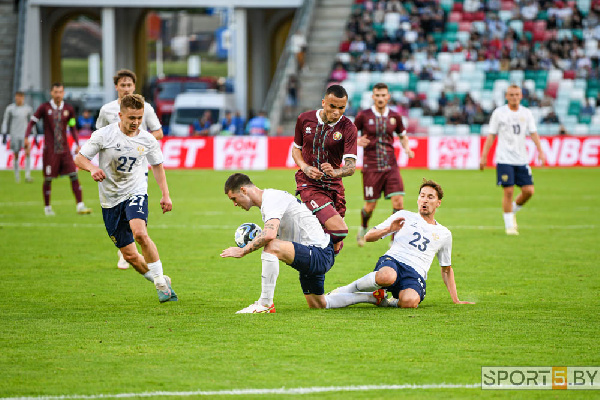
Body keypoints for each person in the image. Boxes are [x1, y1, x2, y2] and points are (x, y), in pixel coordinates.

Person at [74, 94, 177, 303]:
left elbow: (157, 166)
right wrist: (92, 168)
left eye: (139, 118)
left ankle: (160, 285)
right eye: (131, 118)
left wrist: (165, 195)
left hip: (135, 191)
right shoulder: (104, 135)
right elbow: (79, 157)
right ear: (120, 115)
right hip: (110, 199)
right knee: (130, 257)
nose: (136, 122)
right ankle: (160, 278)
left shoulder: (147, 139)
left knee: (140, 233)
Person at [325, 179, 475, 309]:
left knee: (410, 301)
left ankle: (383, 300)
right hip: (394, 261)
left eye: (430, 197)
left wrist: (456, 299)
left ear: (438, 203)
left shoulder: (444, 233)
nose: (425, 200)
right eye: (422, 196)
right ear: (418, 199)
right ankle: (350, 290)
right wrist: (388, 230)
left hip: (415, 273)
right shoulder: (403, 216)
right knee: (386, 276)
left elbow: (447, 269)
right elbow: (368, 236)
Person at [220, 173, 334, 313]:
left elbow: (269, 235)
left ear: (244, 190)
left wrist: (243, 251)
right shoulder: (270, 202)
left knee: (271, 246)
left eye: (234, 198)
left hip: (318, 253)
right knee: (318, 304)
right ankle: (363, 294)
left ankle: (265, 304)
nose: (235, 204)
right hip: (316, 251)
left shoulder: (271, 199)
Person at [96, 69, 163, 269]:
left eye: (129, 85)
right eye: (122, 85)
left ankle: (130, 249)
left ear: (134, 87)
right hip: (113, 173)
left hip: (138, 169)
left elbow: (158, 131)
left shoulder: (146, 108)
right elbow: (99, 134)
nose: (126, 88)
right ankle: (128, 250)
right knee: (122, 212)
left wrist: (140, 142)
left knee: (137, 221)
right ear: (116, 87)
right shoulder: (106, 110)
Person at [292, 84, 357, 254]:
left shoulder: (349, 128)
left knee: (336, 245)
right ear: (323, 103)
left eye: (341, 108)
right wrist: (305, 167)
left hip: (334, 187)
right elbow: (296, 149)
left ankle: (314, 268)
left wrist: (335, 172)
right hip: (309, 184)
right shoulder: (304, 119)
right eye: (332, 106)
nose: (336, 112)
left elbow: (351, 167)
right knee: (339, 230)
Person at [480, 84, 547, 235]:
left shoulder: (527, 113)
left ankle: (512, 210)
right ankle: (510, 226)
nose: (514, 97)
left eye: (517, 94)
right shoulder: (499, 113)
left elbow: (534, 133)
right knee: (508, 191)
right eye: (511, 95)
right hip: (504, 159)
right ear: (506, 96)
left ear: (521, 96)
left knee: (529, 191)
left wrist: (541, 151)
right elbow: (491, 135)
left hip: (521, 159)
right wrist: (484, 156)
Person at [354, 83, 415, 247]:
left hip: (391, 166)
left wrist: (407, 148)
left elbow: (402, 135)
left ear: (388, 97)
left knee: (398, 202)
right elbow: (350, 134)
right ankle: (363, 228)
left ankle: (395, 238)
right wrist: (357, 140)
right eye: (377, 95)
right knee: (370, 206)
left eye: (383, 95)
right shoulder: (363, 116)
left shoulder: (395, 116)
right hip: (371, 167)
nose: (380, 98)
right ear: (373, 97)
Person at [24, 83, 92, 216]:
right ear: (51, 93)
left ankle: (80, 205)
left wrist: (77, 143)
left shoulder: (68, 109)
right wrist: (27, 137)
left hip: (65, 150)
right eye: (55, 92)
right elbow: (32, 122)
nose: (58, 94)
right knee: (48, 178)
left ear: (63, 93)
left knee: (74, 175)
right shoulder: (44, 108)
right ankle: (47, 208)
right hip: (50, 150)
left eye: (60, 92)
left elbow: (72, 127)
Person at [2, 91, 33, 183]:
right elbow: (5, 121)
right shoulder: (10, 108)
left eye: (20, 97)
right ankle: (17, 177)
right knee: (16, 155)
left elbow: (31, 122)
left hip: (25, 136)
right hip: (14, 135)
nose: (18, 99)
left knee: (27, 153)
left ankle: (27, 175)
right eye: (17, 97)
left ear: (23, 98)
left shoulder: (28, 109)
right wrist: (4, 133)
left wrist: (34, 133)